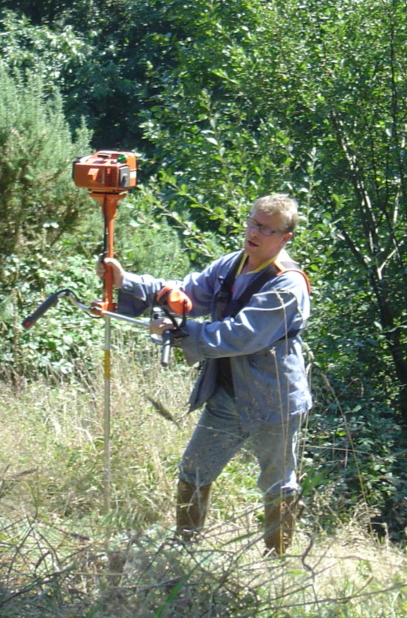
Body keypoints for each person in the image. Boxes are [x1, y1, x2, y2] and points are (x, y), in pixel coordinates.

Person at [97, 194, 312, 554]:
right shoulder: (232, 264)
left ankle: (279, 561)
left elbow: (241, 335)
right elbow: (186, 294)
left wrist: (180, 332)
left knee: (278, 484)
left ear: (284, 237)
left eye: (265, 228)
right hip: (226, 395)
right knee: (193, 472)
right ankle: (185, 553)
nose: (254, 232)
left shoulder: (287, 284)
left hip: (274, 401)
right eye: (252, 222)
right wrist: (126, 282)